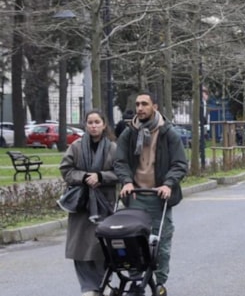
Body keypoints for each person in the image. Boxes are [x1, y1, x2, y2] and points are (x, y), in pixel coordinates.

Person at [116, 92, 188, 296]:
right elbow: (120, 161)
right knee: (133, 242)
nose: (140, 108)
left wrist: (168, 184)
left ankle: (160, 282)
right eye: (137, 104)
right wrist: (127, 181)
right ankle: (136, 280)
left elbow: (180, 164)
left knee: (160, 243)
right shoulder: (129, 132)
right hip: (136, 196)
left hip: (159, 197)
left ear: (154, 106)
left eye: (144, 104)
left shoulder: (168, 133)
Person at [60, 110, 118, 296]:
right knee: (80, 247)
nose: (93, 126)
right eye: (90, 122)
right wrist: (84, 177)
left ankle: (104, 282)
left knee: (102, 246)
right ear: (85, 125)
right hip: (81, 204)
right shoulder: (76, 147)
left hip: (104, 203)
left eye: (97, 122)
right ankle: (88, 287)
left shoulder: (112, 148)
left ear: (104, 125)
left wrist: (101, 177)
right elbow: (66, 170)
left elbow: (121, 172)